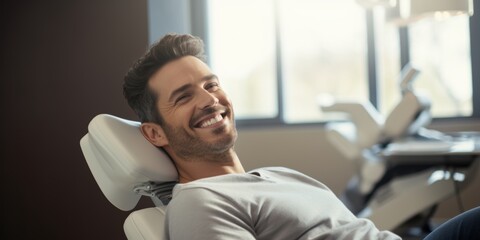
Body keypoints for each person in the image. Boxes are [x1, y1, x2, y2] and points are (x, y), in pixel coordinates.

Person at [123, 33, 479, 240]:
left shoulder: (281, 174)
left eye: (211, 84)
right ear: (154, 133)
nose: (208, 99)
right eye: (184, 96)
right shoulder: (199, 202)